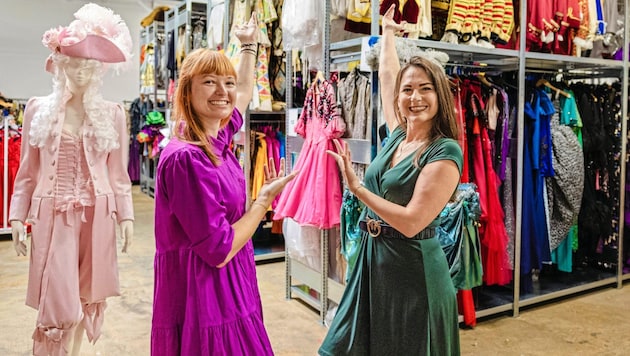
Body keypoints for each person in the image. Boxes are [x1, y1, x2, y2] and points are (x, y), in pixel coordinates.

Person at [319, 5, 462, 355]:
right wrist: (387, 34)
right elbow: (388, 76)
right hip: (373, 263)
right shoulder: (399, 135)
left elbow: (413, 221)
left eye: (425, 89)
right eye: (408, 90)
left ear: (439, 96)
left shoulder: (444, 151)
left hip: (414, 271)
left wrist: (358, 190)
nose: (415, 97)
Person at [151, 12, 297, 356]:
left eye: (226, 82)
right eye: (209, 82)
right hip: (203, 291)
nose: (223, 92)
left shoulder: (214, 137)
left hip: (230, 282)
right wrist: (261, 203)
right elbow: (218, 249)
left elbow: (243, 94)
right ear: (187, 90)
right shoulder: (188, 158)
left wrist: (248, 46)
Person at [9, 4, 134, 356]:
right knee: (59, 297)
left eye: (87, 67)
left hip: (98, 215)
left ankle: (75, 352)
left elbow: (118, 173)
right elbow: (28, 172)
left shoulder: (112, 114)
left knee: (87, 294)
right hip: (53, 215)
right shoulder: (38, 109)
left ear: (97, 72)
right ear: (61, 66)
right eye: (73, 64)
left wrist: (126, 217)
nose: (80, 72)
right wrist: (17, 215)